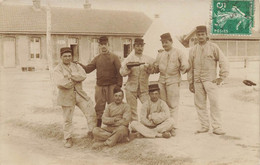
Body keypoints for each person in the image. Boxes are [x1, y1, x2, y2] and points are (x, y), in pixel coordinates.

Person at [187, 25, 229, 135]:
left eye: (202, 34)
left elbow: (223, 61)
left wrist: (221, 77)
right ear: (196, 36)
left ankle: (217, 127)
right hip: (197, 81)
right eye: (199, 34)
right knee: (200, 104)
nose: (200, 36)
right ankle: (204, 126)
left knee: (214, 103)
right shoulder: (193, 50)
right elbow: (190, 67)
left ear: (206, 35)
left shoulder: (213, 47)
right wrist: (190, 82)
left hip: (210, 80)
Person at [53, 47, 97, 148]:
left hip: (79, 94)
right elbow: (62, 83)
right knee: (67, 119)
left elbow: (83, 75)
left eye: (69, 56)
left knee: (90, 110)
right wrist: (75, 78)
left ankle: (92, 132)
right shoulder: (57, 69)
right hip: (66, 96)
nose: (68, 58)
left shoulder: (76, 65)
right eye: (65, 56)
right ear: (61, 57)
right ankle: (68, 138)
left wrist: (70, 76)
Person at [77, 36, 123, 127]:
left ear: (108, 45)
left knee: (113, 105)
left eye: (105, 44)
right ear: (99, 46)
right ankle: (98, 126)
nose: (103, 46)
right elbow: (88, 69)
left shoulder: (114, 57)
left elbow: (119, 72)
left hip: (112, 86)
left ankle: (114, 126)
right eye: (101, 45)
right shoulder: (97, 58)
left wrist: (119, 85)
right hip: (100, 86)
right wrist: (79, 64)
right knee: (99, 106)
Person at [153, 33, 189, 135]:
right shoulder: (160, 54)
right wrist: (151, 68)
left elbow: (185, 64)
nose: (164, 45)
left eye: (166, 42)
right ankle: (165, 125)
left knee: (173, 104)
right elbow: (156, 68)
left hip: (173, 80)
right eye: (163, 43)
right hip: (162, 81)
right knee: (163, 105)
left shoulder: (179, 52)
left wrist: (184, 66)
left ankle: (173, 126)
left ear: (171, 42)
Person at [120, 38, 155, 121]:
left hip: (144, 89)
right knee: (132, 111)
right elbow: (122, 72)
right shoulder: (129, 59)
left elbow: (154, 70)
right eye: (137, 46)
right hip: (131, 89)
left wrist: (149, 68)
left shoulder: (148, 59)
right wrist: (128, 69)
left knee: (149, 107)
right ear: (134, 47)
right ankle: (134, 129)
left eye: (141, 46)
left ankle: (147, 125)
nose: (140, 48)